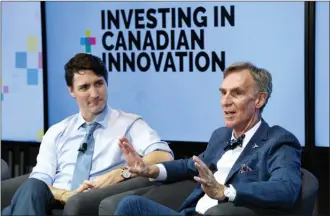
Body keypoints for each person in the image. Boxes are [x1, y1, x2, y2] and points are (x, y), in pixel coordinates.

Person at [113, 62, 302, 216]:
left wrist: (225, 191)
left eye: (236, 93)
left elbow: (285, 189)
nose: (225, 101)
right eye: (223, 92)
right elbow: (190, 165)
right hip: (191, 212)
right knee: (131, 205)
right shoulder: (221, 136)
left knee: (131, 207)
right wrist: (149, 170)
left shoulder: (279, 141)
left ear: (259, 100)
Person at [2, 53, 174, 216]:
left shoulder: (129, 124)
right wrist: (64, 195)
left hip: (91, 203)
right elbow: (40, 180)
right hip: (51, 204)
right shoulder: (57, 132)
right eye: (84, 87)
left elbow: (164, 156)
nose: (94, 94)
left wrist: (121, 173)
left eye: (99, 83)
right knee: (31, 189)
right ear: (71, 91)